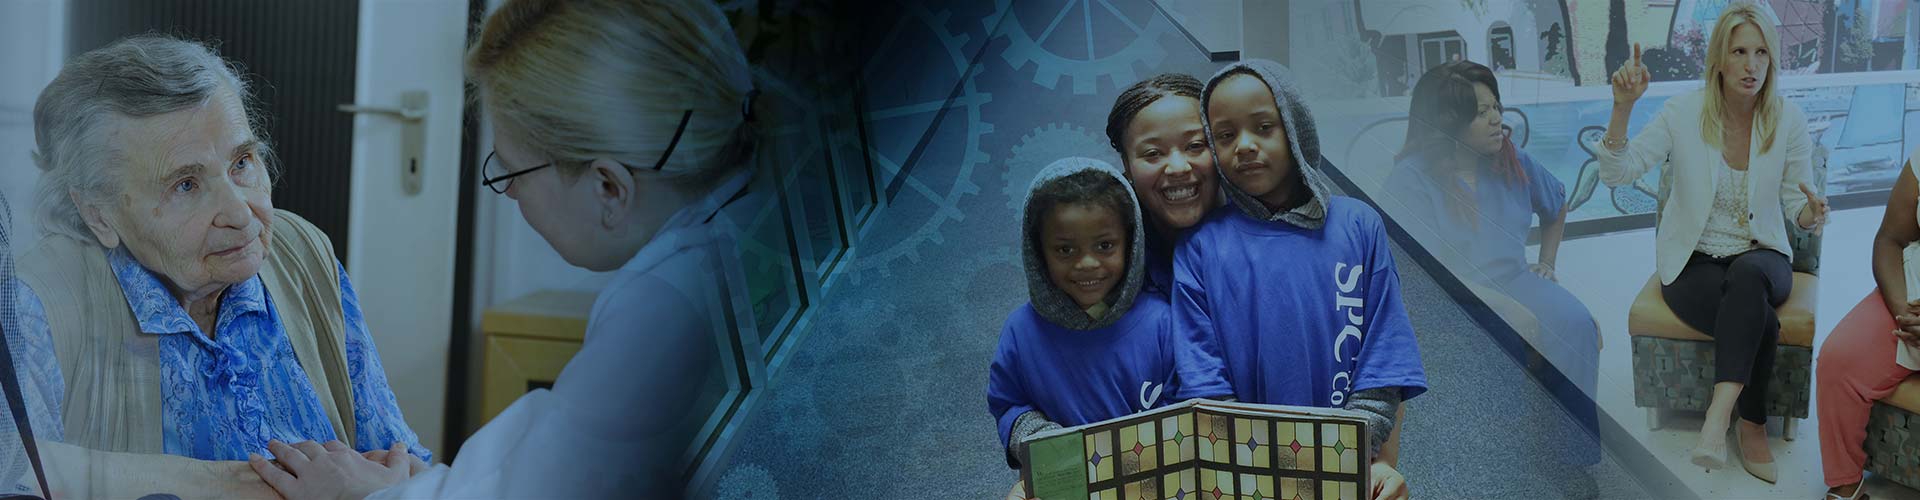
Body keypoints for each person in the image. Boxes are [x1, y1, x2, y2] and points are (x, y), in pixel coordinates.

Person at [247, 0, 761, 497]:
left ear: (609, 188)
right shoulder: (746, 229)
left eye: (513, 171)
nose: (509, 190)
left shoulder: (665, 316)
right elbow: (561, 450)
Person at [2, 32, 427, 495]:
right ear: (98, 214)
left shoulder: (300, 251)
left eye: (242, 161)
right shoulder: (40, 299)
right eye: (185, 185)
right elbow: (12, 470)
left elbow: (400, 462)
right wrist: (223, 485)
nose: (241, 213)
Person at [1594, 2, 1829, 483]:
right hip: (1693, 263)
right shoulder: (1683, 112)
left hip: (1762, 256)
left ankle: (1716, 418)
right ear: (1719, 60)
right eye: (1740, 51)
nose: (1751, 65)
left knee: (1748, 276)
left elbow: (1796, 206)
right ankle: (1754, 425)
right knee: (1756, 315)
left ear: (1773, 59)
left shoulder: (1789, 119)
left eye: (1762, 52)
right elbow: (1616, 171)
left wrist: (1811, 213)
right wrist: (1623, 107)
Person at [1172, 59, 1428, 500]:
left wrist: (1356, 449)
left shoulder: (1358, 226)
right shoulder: (1200, 248)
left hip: (1347, 462)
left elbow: (1384, 351)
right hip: (1243, 475)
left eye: (1263, 127)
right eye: (1226, 136)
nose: (1245, 146)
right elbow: (1203, 379)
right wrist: (1248, 460)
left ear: (1295, 129)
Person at [1387, 60, 1600, 465]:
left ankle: (1569, 460)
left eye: (1495, 107)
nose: (1496, 120)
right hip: (1447, 301)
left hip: (1514, 280)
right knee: (1506, 336)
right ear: (1448, 122)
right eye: (1481, 113)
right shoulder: (1410, 180)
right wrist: (1509, 309)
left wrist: (1547, 263)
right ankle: (1503, 464)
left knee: (1576, 322)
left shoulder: (1510, 159)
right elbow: (1422, 277)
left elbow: (1556, 205)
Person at [989, 158, 1182, 499]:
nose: (1087, 263)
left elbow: (1182, 411)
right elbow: (1009, 403)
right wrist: (1037, 435)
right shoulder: (1021, 332)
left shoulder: (1162, 323)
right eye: (1065, 249)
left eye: (1105, 245)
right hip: (1064, 487)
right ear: (1039, 252)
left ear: (1130, 243)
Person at [1813, 148, 1920, 500]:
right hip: (1914, 296)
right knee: (1839, 360)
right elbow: (1890, 238)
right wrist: (1904, 310)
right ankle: (1847, 485)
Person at [1105, 73, 1222, 291]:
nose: (1178, 168)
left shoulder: (1261, 231)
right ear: (1127, 166)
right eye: (1153, 153)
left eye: (1195, 145)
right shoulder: (1106, 248)